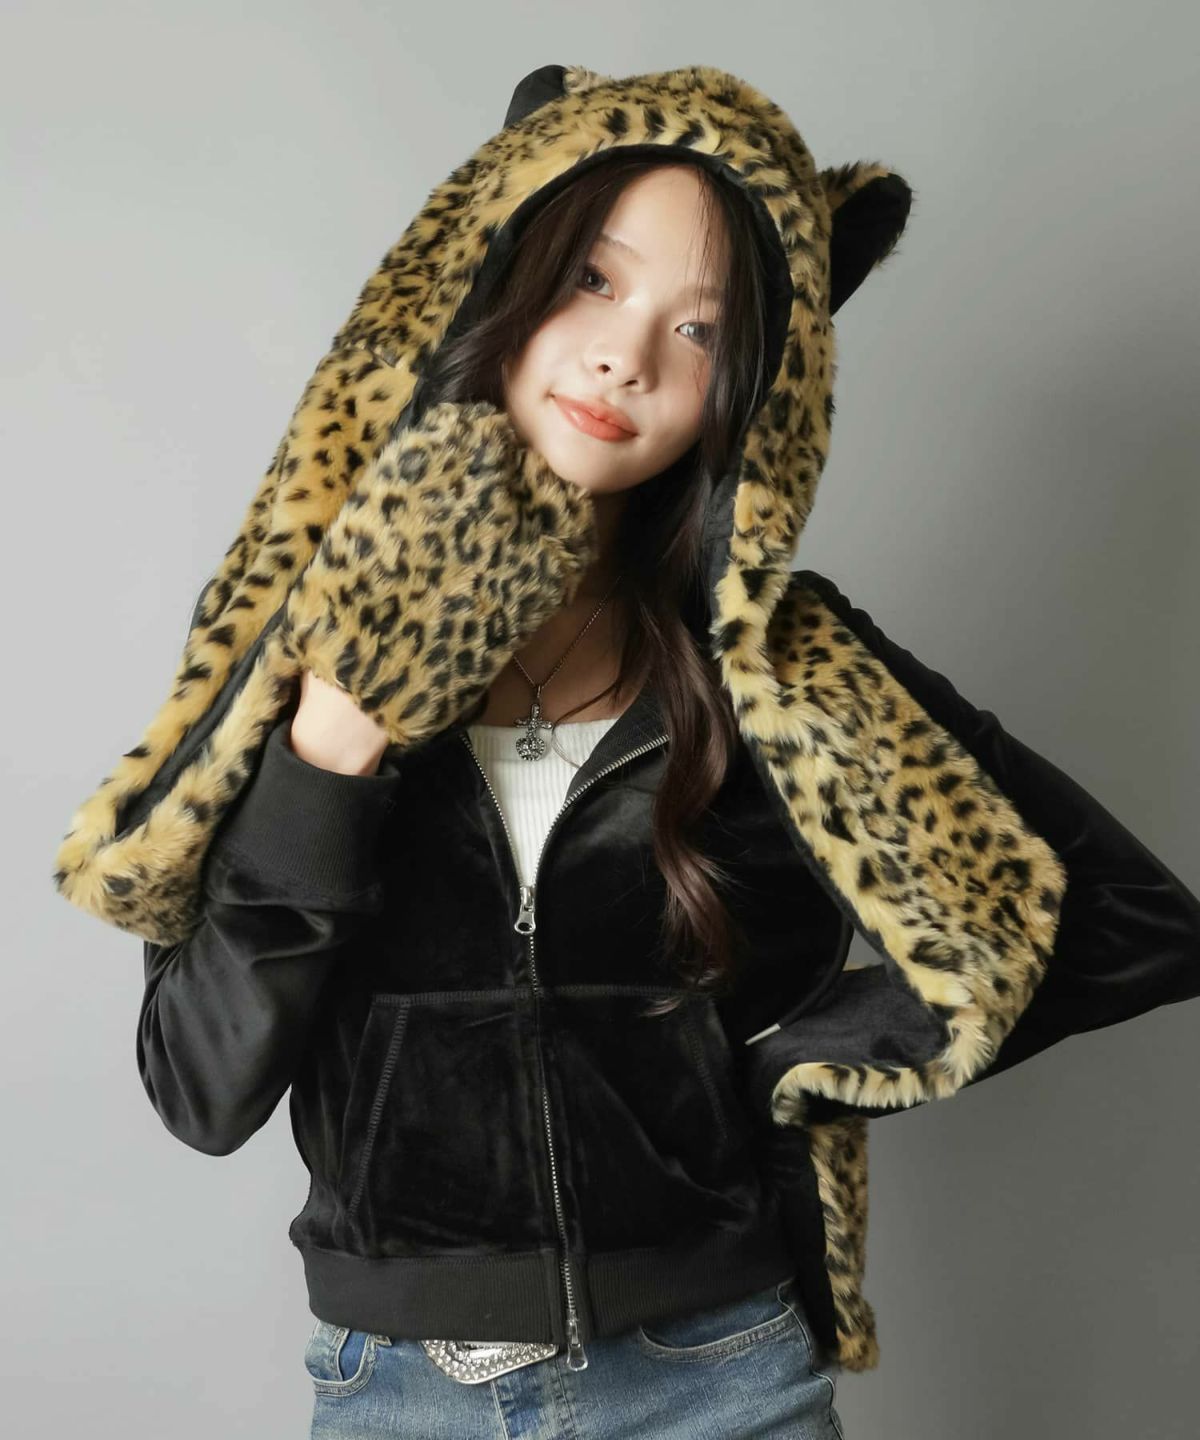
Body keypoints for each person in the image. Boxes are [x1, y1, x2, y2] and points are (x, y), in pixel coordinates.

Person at [51, 64, 1200, 1440]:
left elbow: (1130, 920)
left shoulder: (778, 667)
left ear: (749, 390)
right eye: (594, 280)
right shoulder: (296, 633)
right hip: (399, 1395)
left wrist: (787, 1066)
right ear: (501, 276)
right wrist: (335, 740)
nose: (625, 356)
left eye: (700, 328)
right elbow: (202, 1086)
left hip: (722, 1380)